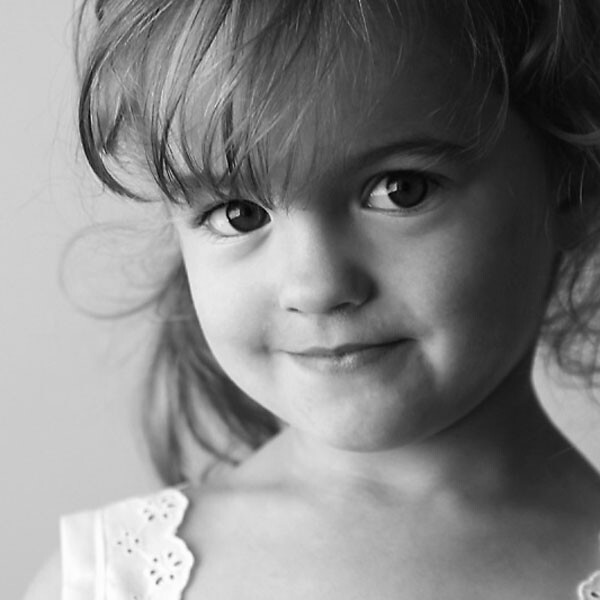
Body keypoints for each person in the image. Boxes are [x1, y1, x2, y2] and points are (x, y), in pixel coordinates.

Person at [24, 0, 600, 598]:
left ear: (571, 187)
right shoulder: (102, 580)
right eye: (240, 214)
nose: (317, 287)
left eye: (400, 191)